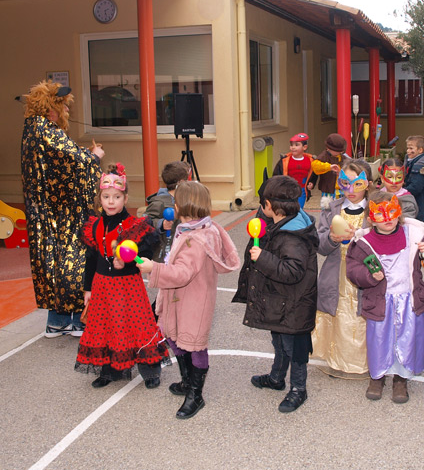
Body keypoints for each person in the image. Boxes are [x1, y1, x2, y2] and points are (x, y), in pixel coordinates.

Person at [138, 181, 240, 419]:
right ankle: (187, 382)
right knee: (176, 338)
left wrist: (154, 268)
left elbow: (183, 273)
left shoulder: (197, 238)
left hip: (193, 300)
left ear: (179, 206)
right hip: (180, 298)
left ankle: (196, 395)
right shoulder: (191, 228)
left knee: (195, 346)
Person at [21, 80, 104, 337]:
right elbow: (77, 163)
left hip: (44, 212)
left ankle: (57, 320)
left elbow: (63, 161)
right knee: (72, 262)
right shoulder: (48, 131)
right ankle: (79, 319)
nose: (67, 113)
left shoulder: (32, 130)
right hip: (64, 212)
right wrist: (95, 157)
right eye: (64, 107)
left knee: (50, 263)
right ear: (52, 108)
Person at [75, 163, 169, 390]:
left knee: (138, 324)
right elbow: (90, 259)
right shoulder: (94, 225)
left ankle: (150, 370)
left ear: (125, 198)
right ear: (100, 198)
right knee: (106, 326)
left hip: (128, 286)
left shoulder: (136, 226)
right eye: (106, 196)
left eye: (116, 197)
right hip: (102, 286)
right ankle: (109, 370)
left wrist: (128, 260)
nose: (110, 201)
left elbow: (145, 256)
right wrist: (87, 289)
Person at [233, 175, 318, 413]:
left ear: (268, 205)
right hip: (279, 301)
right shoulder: (279, 223)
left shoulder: (293, 237)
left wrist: (264, 258)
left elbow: (293, 272)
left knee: (296, 348)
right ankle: (277, 378)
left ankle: (299, 389)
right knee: (279, 341)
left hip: (294, 305)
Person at [345, 191, 424, 403]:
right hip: (380, 301)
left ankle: (401, 379)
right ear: (371, 219)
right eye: (381, 215)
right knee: (379, 340)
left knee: (407, 340)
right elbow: (352, 270)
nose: (388, 220)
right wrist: (369, 276)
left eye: (392, 213)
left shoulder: (413, 234)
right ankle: (377, 377)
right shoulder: (363, 242)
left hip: (409, 300)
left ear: (399, 213)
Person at [311, 159, 372, 375]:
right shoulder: (332, 208)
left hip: (365, 277)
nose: (351, 190)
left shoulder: (375, 210)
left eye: (358, 184)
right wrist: (332, 238)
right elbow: (319, 243)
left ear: (368, 184)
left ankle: (365, 363)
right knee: (339, 314)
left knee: (362, 316)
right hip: (336, 274)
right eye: (345, 183)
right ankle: (337, 360)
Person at [143, 161, 191, 263]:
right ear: (181, 182)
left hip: (181, 248)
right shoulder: (160, 201)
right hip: (164, 251)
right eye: (187, 180)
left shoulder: (184, 200)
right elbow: (145, 221)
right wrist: (161, 223)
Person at [272, 133, 315, 208]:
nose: (293, 147)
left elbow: (314, 174)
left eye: (296, 145)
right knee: (288, 207)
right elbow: (277, 174)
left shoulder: (311, 160)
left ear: (304, 147)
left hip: (302, 190)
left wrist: (312, 183)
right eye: (291, 145)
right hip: (288, 189)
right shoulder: (284, 160)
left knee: (299, 208)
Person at [310, 133, 348, 209]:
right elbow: (315, 166)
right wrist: (329, 167)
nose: (339, 153)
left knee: (341, 207)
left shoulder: (343, 158)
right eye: (337, 151)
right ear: (328, 149)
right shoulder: (324, 156)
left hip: (341, 189)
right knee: (327, 208)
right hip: (328, 190)